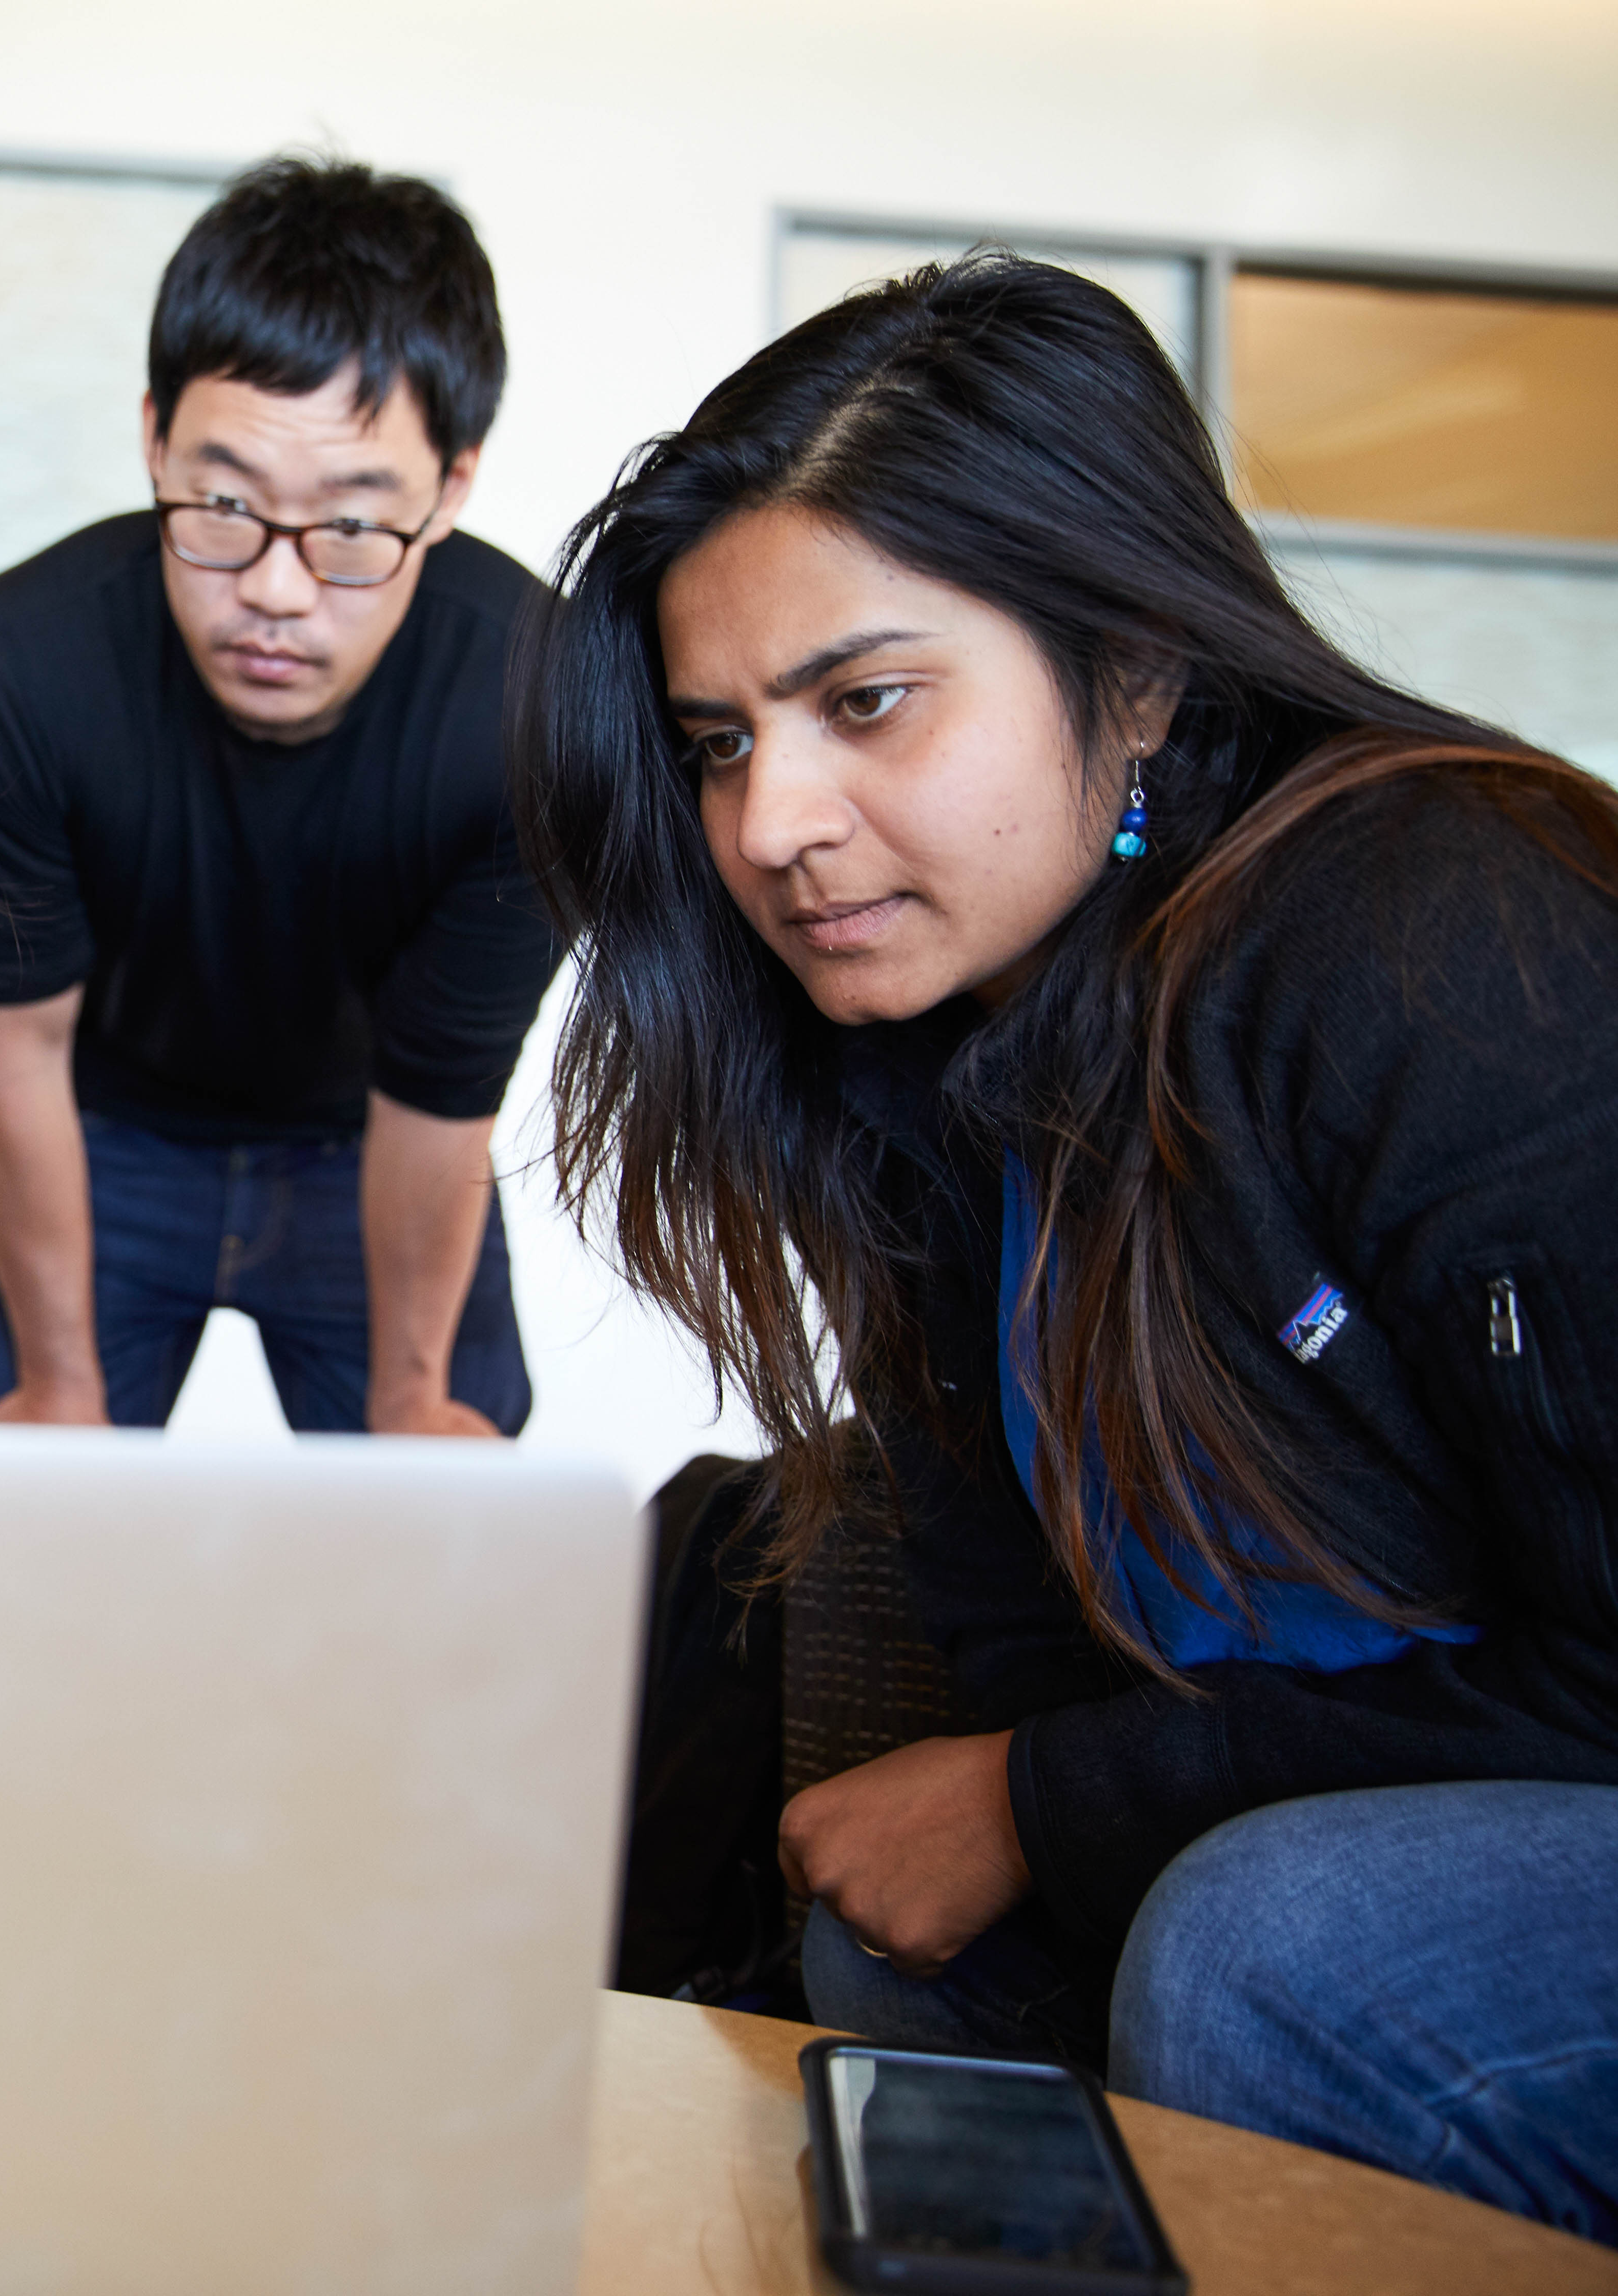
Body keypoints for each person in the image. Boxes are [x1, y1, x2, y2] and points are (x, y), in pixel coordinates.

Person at [516, 251, 1618, 2239]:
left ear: (1137, 671)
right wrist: (1022, 1787)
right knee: (901, 1959)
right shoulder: (940, 1060)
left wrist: (1046, 1800)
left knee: (1268, 1947)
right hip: (1324, 1803)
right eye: (718, 744)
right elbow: (1026, 1634)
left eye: (865, 704)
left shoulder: (1460, 939)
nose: (770, 824)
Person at [0, 157, 560, 1436]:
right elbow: (16, 1053)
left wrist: (410, 1401)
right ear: (153, 434)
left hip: (370, 1135)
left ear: (453, 489)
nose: (275, 587)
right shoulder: (8, 668)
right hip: (100, 1123)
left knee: (439, 1486)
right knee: (34, 1488)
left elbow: (442, 1096)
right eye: (223, 503)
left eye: (352, 526)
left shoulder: (531, 714)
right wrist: (61, 1389)